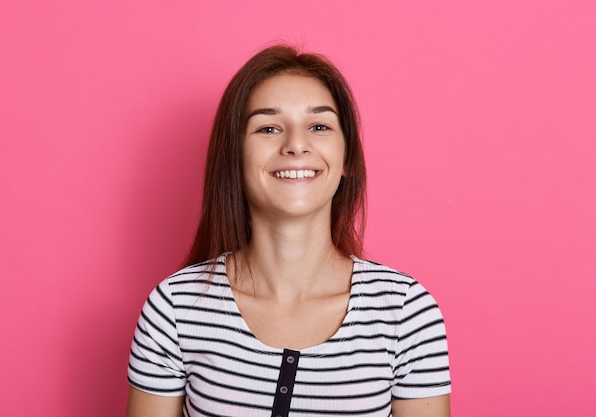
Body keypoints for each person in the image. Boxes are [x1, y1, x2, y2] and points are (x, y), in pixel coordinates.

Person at [126, 44, 451, 417]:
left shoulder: (405, 312)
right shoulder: (174, 309)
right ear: (234, 156)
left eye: (319, 126)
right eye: (268, 127)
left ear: (346, 159)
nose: (296, 145)